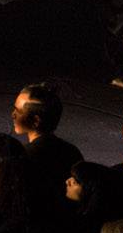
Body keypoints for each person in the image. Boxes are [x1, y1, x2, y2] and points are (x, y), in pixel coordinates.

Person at [11, 82, 83, 210]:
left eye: (18, 111)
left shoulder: (23, 157)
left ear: (36, 121)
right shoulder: (72, 151)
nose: (13, 115)